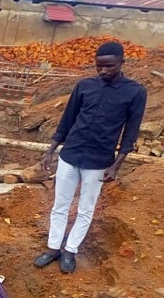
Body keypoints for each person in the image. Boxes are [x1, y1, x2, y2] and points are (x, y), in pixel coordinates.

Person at [34, 41, 147, 274]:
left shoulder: (135, 92)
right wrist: (50, 151)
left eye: (110, 67)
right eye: (99, 67)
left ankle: (70, 250)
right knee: (60, 205)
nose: (104, 71)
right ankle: (53, 247)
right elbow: (67, 120)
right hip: (70, 154)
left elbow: (131, 132)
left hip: (99, 161)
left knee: (86, 208)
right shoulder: (84, 86)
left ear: (122, 63)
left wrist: (116, 166)